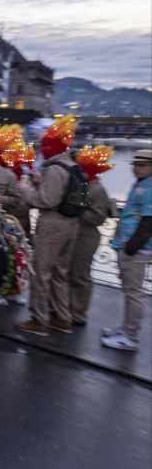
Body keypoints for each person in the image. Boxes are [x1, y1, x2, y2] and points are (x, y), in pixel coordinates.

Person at [14, 115, 81, 336]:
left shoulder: (54, 169)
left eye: (44, 146)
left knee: (41, 273)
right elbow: (80, 199)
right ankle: (63, 318)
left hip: (52, 226)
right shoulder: (74, 167)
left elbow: (46, 201)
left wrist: (26, 190)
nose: (42, 149)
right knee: (60, 274)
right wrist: (39, 182)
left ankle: (39, 320)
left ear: (50, 146)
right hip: (72, 225)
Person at [101, 149, 152, 351]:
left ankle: (130, 337)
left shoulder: (149, 186)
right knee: (129, 291)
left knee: (133, 293)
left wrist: (131, 247)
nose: (136, 168)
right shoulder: (141, 183)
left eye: (142, 165)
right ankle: (125, 329)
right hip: (127, 245)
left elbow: (149, 221)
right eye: (134, 164)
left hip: (136, 249)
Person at [68, 145, 115, 326]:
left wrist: (77, 211)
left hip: (86, 237)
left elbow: (97, 217)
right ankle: (69, 308)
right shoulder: (85, 185)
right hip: (76, 234)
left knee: (80, 276)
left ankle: (79, 313)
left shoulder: (97, 189)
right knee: (71, 273)